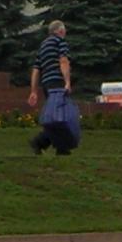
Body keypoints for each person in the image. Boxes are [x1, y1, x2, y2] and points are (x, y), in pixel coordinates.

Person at [27, 20, 79, 157]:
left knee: (55, 117)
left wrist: (33, 91)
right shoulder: (60, 42)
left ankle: (58, 148)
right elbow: (63, 61)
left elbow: (36, 69)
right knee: (61, 116)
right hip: (57, 82)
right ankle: (41, 142)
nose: (65, 32)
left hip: (47, 84)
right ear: (60, 31)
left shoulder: (43, 46)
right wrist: (67, 82)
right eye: (64, 30)